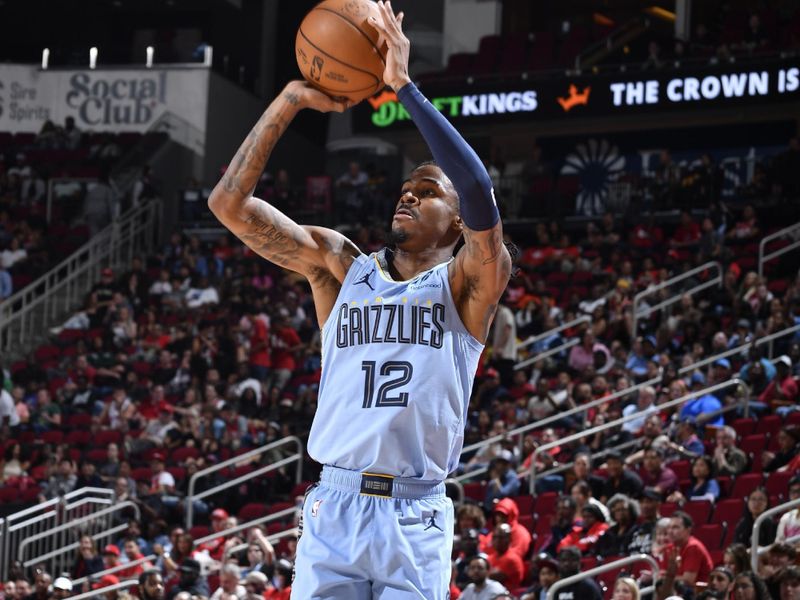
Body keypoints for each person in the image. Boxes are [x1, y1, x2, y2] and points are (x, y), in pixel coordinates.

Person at [207, 3, 512, 598]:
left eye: (426, 192)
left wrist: (402, 86)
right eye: (405, 189)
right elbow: (228, 204)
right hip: (335, 504)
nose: (408, 197)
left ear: (456, 225)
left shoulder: (469, 283)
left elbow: (476, 187)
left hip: (415, 513)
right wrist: (290, 101)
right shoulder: (341, 268)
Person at [668, 511, 713, 586]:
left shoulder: (693, 547)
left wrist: (664, 578)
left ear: (688, 530)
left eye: (675, 527)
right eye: (669, 527)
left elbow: (687, 581)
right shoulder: (672, 547)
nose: (670, 531)